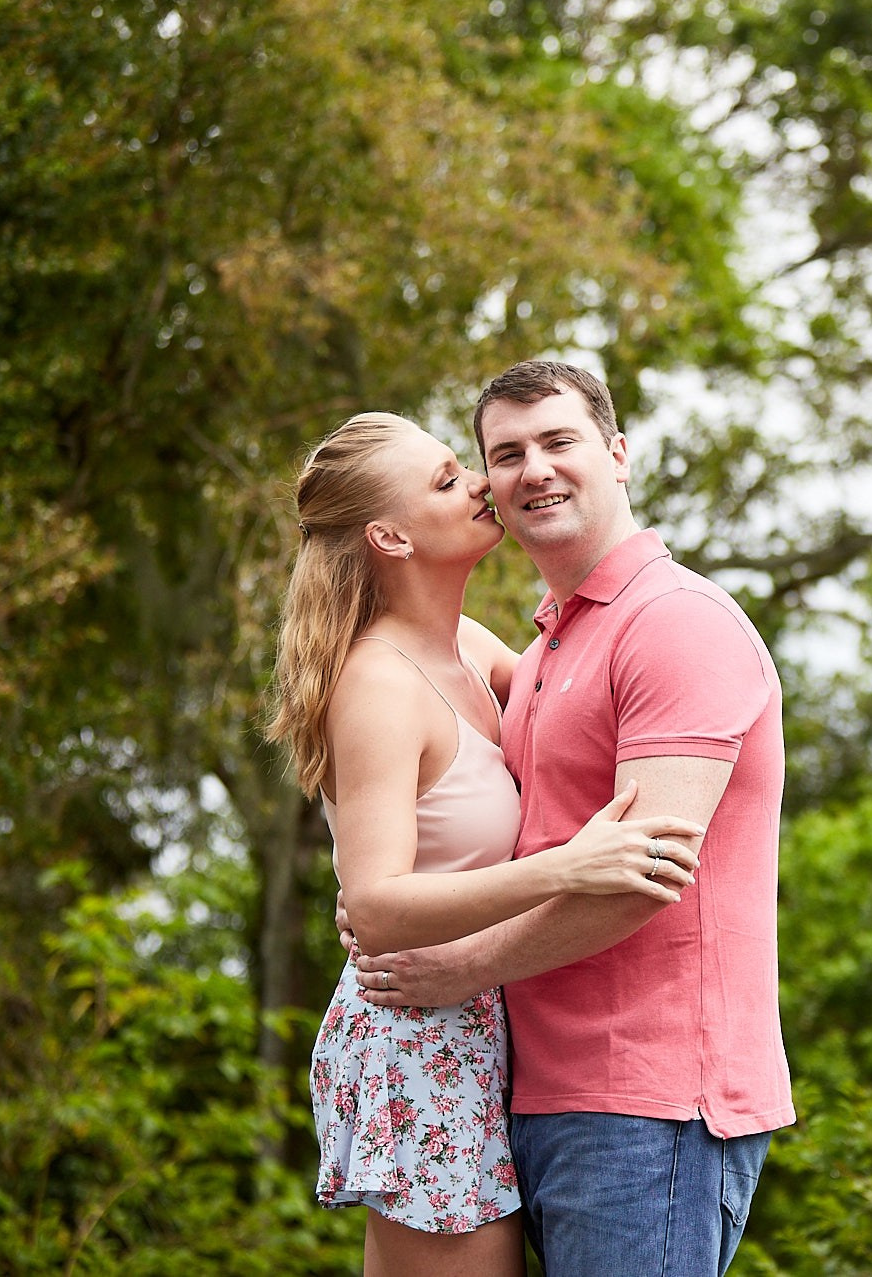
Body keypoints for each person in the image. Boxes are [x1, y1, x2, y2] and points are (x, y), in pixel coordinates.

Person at [352, 362, 795, 1276]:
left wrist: (458, 968)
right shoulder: (551, 642)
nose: (535, 469)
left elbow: (644, 876)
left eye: (559, 441)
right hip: (532, 1088)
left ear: (618, 454)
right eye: (507, 453)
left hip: (650, 1102)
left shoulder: (676, 623)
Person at [266, 411, 706, 1277]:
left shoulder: (467, 647)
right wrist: (565, 867)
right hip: (419, 1034)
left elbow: (576, 691)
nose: (478, 483)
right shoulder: (380, 684)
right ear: (390, 537)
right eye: (446, 480)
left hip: (481, 1022)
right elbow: (376, 905)